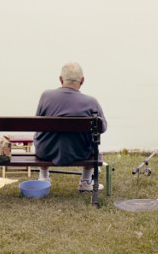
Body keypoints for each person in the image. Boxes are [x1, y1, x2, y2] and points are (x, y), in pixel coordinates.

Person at [34, 62, 107, 192]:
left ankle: (44, 177)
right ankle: (85, 181)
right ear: (82, 81)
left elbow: (37, 123)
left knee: (42, 134)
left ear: (61, 79)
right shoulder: (91, 102)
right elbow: (102, 128)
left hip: (46, 151)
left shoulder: (46, 96)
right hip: (80, 153)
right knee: (93, 140)